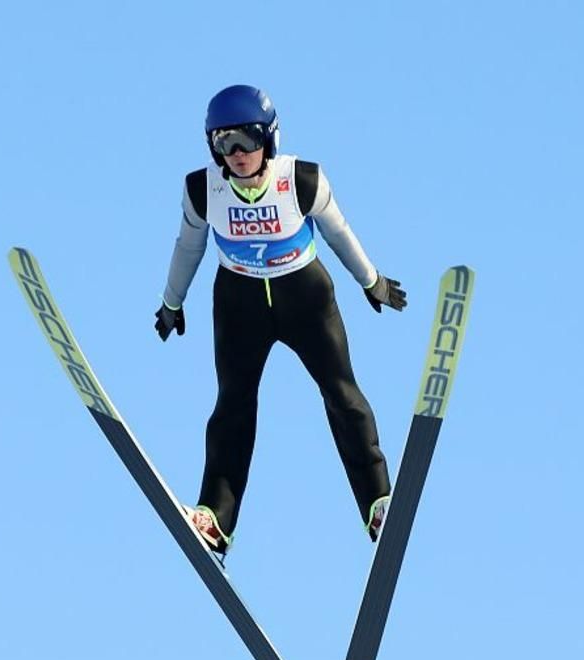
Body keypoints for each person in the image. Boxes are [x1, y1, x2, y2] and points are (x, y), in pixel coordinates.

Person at [154, 85, 407, 555]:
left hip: (304, 296)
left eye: (246, 140)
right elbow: (188, 247)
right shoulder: (202, 190)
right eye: (223, 142)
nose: (237, 154)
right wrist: (172, 301)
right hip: (238, 300)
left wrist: (371, 281)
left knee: (341, 393)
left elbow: (338, 232)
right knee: (233, 404)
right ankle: (215, 519)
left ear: (268, 139)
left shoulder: (303, 180)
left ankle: (378, 502)